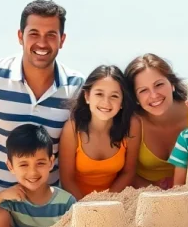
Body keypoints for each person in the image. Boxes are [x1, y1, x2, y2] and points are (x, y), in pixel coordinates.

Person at [0, 0, 83, 227]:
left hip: (46, 196)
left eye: (51, 35)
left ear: (62, 40)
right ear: (20, 36)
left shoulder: (77, 88)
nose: (42, 42)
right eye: (34, 34)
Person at [58, 65, 140, 199]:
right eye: (99, 94)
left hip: (114, 202)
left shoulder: (131, 126)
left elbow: (129, 173)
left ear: (122, 102)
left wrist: (107, 203)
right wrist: (86, 207)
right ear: (87, 96)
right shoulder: (73, 128)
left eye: (114, 96)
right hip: (76, 204)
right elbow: (67, 179)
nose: (106, 102)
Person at [124, 54, 188, 189]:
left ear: (172, 83)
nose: (153, 95)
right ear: (135, 97)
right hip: (148, 198)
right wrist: (158, 193)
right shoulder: (133, 123)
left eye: (159, 84)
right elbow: (126, 174)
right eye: (143, 90)